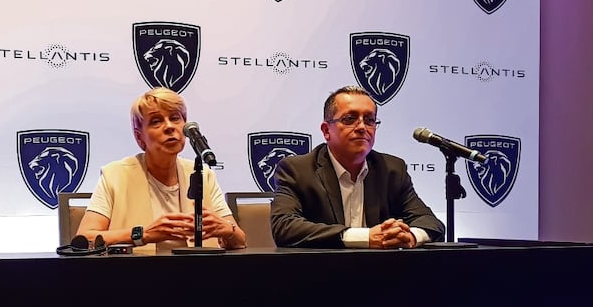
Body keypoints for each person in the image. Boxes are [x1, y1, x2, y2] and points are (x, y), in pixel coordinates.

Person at [271, 85, 445, 249]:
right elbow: (284, 227)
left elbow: (430, 222)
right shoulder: (297, 170)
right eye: (350, 119)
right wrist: (366, 237)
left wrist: (410, 236)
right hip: (322, 273)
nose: (362, 127)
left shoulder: (392, 169)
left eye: (369, 120)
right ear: (326, 130)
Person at [76, 87, 246, 253]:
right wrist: (144, 234)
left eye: (175, 118)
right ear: (139, 137)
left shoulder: (203, 175)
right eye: (156, 121)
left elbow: (240, 240)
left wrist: (226, 229)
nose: (169, 127)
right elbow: (86, 238)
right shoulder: (115, 175)